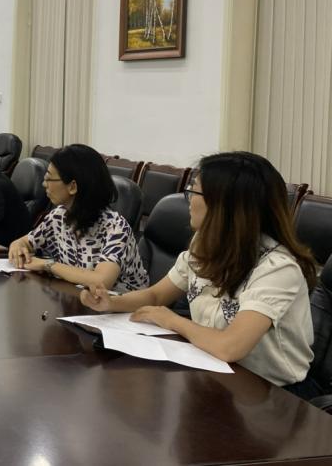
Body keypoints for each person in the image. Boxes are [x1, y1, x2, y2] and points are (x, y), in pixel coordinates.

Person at [81, 152, 318, 395]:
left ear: (225, 205)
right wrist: (111, 302)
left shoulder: (276, 268)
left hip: (274, 393)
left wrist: (172, 321)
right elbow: (155, 296)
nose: (188, 200)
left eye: (194, 192)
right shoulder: (205, 244)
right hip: (215, 371)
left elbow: (230, 347)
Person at [8, 144, 148, 292]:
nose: (44, 184)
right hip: (77, 299)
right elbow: (25, 242)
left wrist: (47, 265)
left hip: (122, 303)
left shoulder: (116, 228)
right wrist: (18, 247)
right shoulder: (58, 216)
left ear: (72, 187)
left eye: (49, 178)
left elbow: (101, 281)